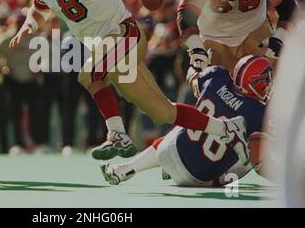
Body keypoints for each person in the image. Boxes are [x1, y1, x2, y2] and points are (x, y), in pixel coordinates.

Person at [9, 0, 248, 162]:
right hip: (107, 53)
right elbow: (39, 6)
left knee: (88, 74)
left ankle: (117, 135)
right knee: (163, 112)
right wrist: (30, 24)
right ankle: (226, 129)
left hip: (126, 33)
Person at [101, 55, 273, 187]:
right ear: (255, 83)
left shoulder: (216, 76)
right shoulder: (259, 112)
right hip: (200, 178)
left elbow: (192, 74)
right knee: (252, 150)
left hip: (168, 153)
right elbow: (259, 160)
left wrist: (197, 65)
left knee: (184, 128)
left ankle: (127, 168)